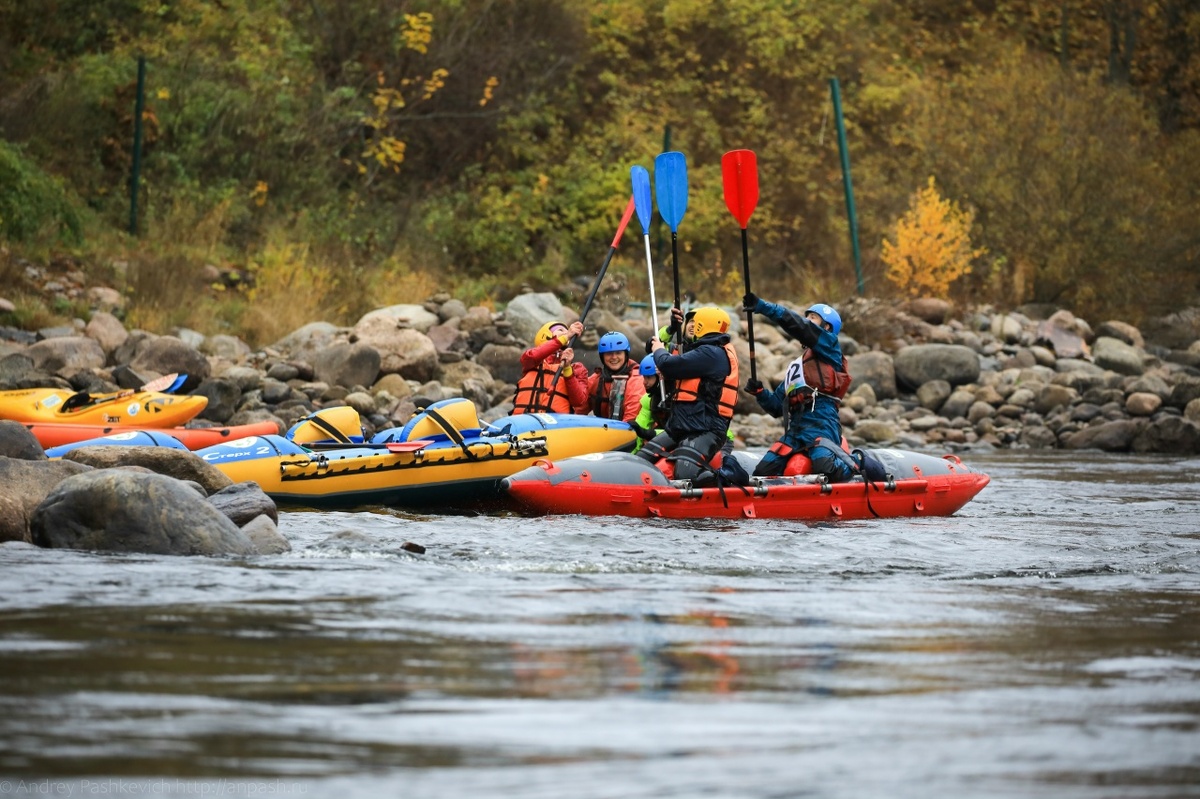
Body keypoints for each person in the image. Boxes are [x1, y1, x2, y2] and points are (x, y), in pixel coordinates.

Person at [742, 294, 856, 482]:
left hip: (823, 423)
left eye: (813, 318)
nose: (807, 321)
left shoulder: (831, 347)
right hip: (796, 430)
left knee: (824, 466)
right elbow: (777, 408)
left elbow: (800, 327)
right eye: (808, 317)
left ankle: (854, 465)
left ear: (826, 327)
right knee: (762, 472)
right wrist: (761, 393)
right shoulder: (797, 366)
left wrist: (764, 307)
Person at [636, 306, 739, 482]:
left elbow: (667, 364)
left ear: (702, 325)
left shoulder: (712, 353)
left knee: (684, 475)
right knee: (640, 460)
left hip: (706, 430)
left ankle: (725, 481)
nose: (692, 325)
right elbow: (650, 345)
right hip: (680, 427)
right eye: (689, 322)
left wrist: (659, 350)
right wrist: (671, 328)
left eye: (695, 322)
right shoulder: (696, 349)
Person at [512, 319, 589, 414]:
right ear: (545, 335)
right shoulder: (532, 360)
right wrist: (566, 336)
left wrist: (567, 368)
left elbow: (579, 401)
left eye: (567, 331)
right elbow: (534, 355)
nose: (567, 333)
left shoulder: (577, 369)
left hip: (555, 425)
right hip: (525, 420)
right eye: (561, 330)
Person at [586, 332, 646, 423]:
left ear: (625, 355)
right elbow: (579, 407)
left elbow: (631, 416)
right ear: (602, 357)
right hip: (606, 428)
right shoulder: (596, 379)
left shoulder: (637, 378)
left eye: (618, 353)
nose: (614, 357)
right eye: (609, 353)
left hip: (633, 429)